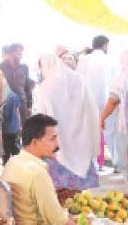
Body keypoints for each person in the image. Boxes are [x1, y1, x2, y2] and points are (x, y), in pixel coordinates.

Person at [2, 114, 82, 225]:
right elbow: (57, 220)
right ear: (35, 142)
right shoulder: (37, 172)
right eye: (52, 139)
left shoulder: (12, 162)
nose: (57, 145)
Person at [34, 53, 100, 190]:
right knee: (81, 197)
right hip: (81, 140)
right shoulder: (78, 79)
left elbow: (41, 116)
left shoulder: (46, 86)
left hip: (57, 144)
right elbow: (91, 109)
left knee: (60, 193)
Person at [77, 35, 115, 167]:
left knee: (90, 132)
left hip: (87, 101)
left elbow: (78, 82)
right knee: (109, 132)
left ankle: (92, 163)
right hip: (107, 101)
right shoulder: (109, 59)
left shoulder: (83, 61)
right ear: (105, 45)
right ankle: (116, 162)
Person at [0, 43, 34, 123]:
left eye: (21, 54)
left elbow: (28, 87)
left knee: (25, 130)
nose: (20, 56)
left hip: (22, 104)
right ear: (10, 53)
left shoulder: (24, 67)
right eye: (18, 54)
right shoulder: (0, 67)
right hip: (6, 105)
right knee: (8, 132)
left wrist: (29, 106)